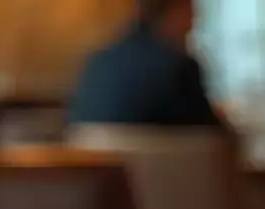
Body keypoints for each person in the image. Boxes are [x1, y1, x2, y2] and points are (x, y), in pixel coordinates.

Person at [69, 0, 221, 127]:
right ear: (175, 12)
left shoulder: (97, 62)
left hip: (97, 161)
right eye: (191, 14)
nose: (193, 24)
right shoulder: (180, 67)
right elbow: (208, 130)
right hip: (170, 162)